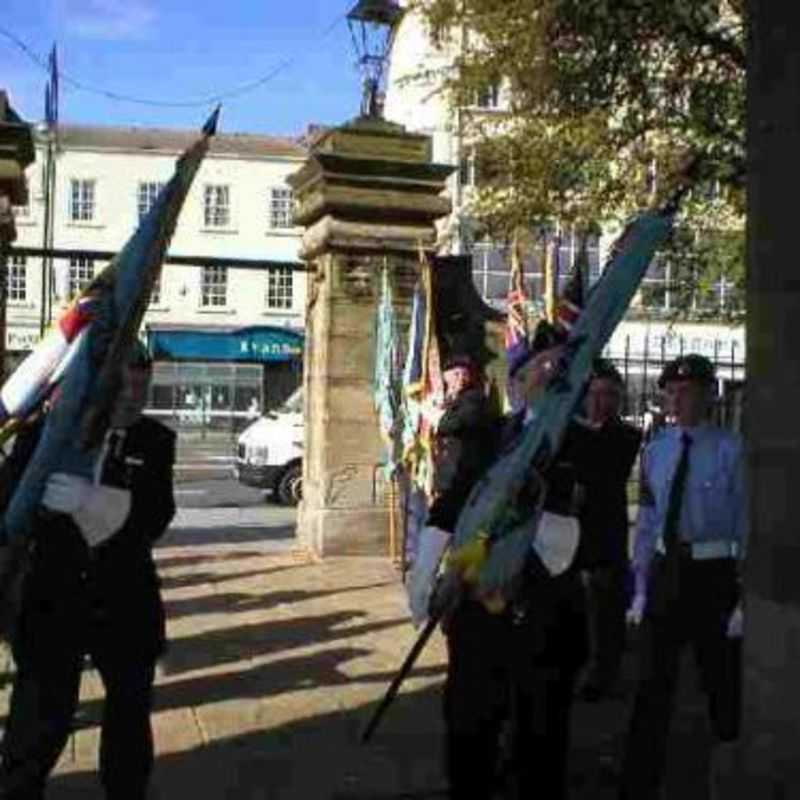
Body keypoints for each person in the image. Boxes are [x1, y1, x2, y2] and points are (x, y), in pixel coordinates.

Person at [0, 342, 176, 800]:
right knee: (39, 719)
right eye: (123, 388)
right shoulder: (48, 436)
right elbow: (10, 507)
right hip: (54, 594)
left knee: (129, 718)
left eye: (142, 388)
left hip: (125, 596)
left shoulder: (155, 440)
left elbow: (155, 516)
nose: (132, 400)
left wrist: (95, 502)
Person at [441, 339, 601, 800]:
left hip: (547, 614)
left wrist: (530, 537)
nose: (551, 374)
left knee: (542, 735)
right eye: (540, 366)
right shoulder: (488, 438)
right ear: (515, 385)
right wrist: (454, 572)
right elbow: (465, 515)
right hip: (480, 611)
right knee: (470, 726)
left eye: (559, 368)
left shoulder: (587, 443)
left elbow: (594, 525)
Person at [618, 354, 745, 800]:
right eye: (671, 391)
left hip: (715, 575)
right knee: (652, 682)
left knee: (721, 680)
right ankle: (639, 781)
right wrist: (639, 586)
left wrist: (743, 598)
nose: (677, 399)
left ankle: (731, 770)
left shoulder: (732, 450)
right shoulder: (656, 451)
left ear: (709, 394)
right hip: (667, 572)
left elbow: (746, 523)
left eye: (687, 390)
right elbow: (649, 522)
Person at [576, 359, 642, 701]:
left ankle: (603, 674)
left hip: (606, 534)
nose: (601, 402)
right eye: (595, 394)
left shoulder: (628, 436)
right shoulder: (572, 432)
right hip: (574, 535)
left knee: (606, 612)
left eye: (609, 395)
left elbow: (602, 472)